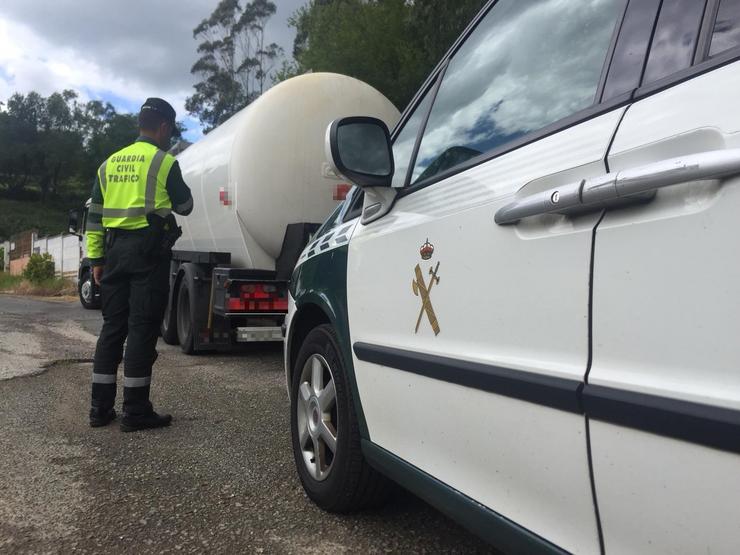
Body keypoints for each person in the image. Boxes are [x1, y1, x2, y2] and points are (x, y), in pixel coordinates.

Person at [86, 97, 193, 432]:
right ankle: (135, 412)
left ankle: (99, 410)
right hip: (148, 255)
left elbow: (93, 218)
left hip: (114, 253)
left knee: (112, 329)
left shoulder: (107, 165)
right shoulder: (164, 162)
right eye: (169, 129)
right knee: (142, 329)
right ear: (163, 127)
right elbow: (186, 205)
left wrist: (96, 260)